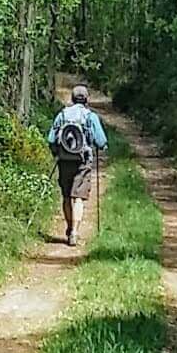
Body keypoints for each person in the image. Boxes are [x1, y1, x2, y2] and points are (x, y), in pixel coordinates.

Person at [47, 83, 107, 247]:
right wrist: (99, 147)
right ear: (86, 100)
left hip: (65, 160)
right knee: (78, 197)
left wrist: (56, 153)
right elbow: (101, 141)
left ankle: (68, 227)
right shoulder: (90, 116)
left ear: (72, 99)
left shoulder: (63, 115)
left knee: (66, 196)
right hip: (82, 161)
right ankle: (75, 231)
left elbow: (51, 139)